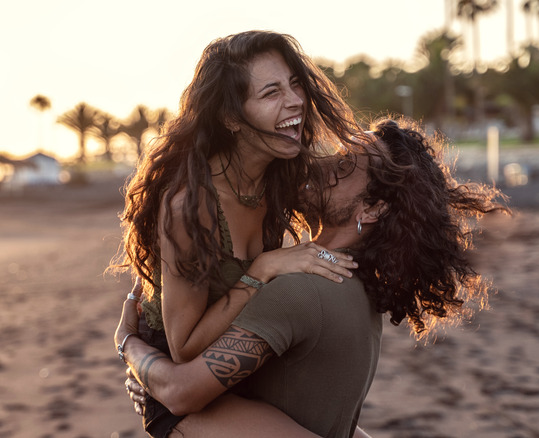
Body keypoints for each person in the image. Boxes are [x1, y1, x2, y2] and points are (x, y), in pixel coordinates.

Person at [115, 117, 510, 437]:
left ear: (371, 208)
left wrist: (130, 345)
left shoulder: (299, 290)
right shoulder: (357, 290)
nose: (319, 166)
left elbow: (180, 393)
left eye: (342, 166)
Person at [111, 30, 366, 437]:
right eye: (271, 93)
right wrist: (262, 269)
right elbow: (184, 347)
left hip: (240, 375)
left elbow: (352, 198)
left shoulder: (281, 176)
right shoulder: (192, 205)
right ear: (231, 118)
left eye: (294, 83)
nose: (295, 99)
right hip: (182, 389)